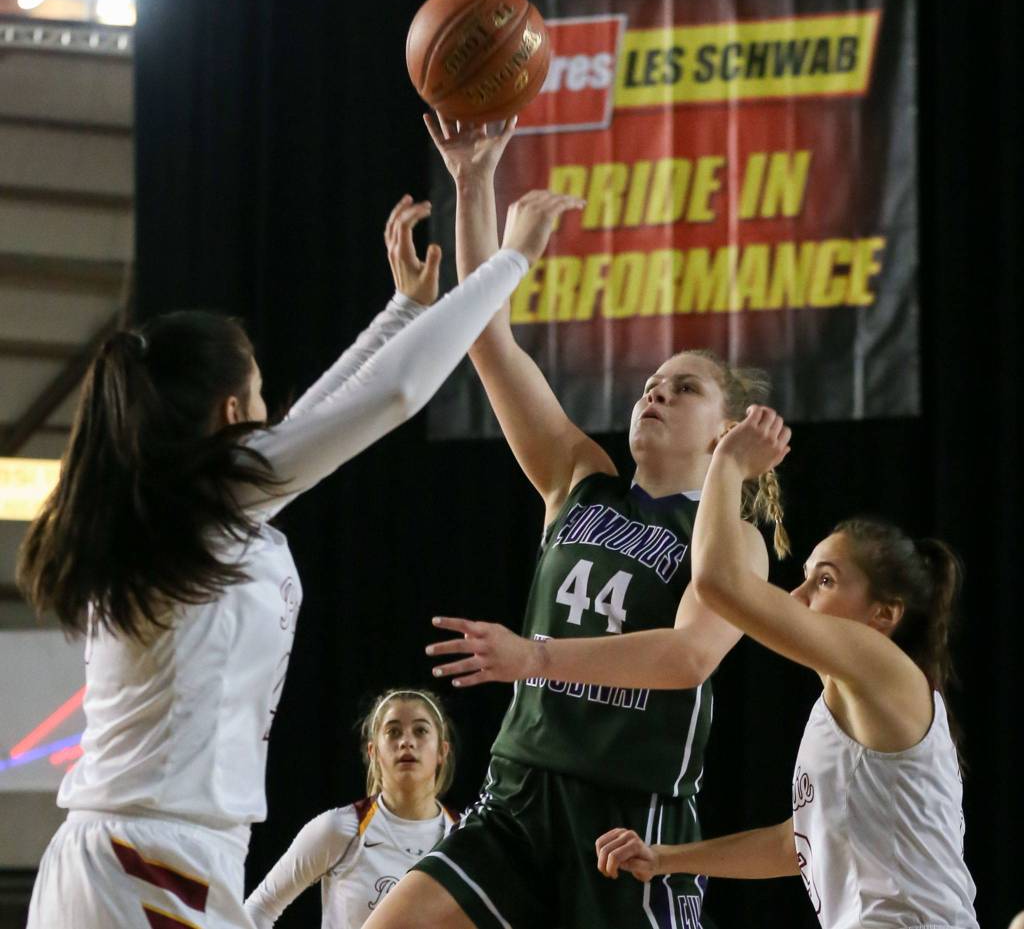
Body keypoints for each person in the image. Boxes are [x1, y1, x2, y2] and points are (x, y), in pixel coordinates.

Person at [17, 189, 582, 929]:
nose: (272, 417)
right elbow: (394, 394)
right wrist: (510, 261)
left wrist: (402, 312)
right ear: (229, 413)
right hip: (146, 862)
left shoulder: (180, 507)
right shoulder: (204, 503)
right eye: (257, 395)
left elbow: (320, 419)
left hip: (135, 855)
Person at [361, 117, 786, 929]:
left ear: (726, 429)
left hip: (630, 815)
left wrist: (536, 655)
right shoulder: (579, 478)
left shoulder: (733, 540)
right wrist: (473, 179)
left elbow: (690, 656)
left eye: (685, 388)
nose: (655, 391)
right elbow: (488, 337)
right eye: (652, 382)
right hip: (519, 791)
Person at [594, 406, 979, 929]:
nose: (796, 596)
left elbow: (720, 584)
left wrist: (726, 464)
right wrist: (665, 860)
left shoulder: (885, 668)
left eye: (824, 580)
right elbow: (795, 841)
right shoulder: (840, 706)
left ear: (883, 614)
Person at [245, 689, 458, 929]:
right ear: (374, 752)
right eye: (393, 732)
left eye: (420, 731)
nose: (406, 742)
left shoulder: (465, 838)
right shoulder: (341, 829)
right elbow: (259, 908)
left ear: (442, 751)